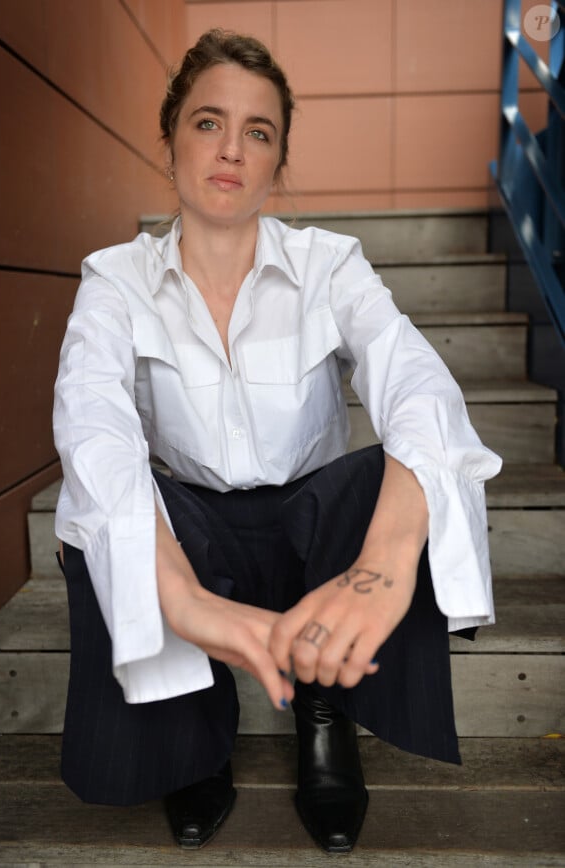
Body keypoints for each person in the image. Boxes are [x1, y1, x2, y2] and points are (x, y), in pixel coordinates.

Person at [53, 28, 502, 854]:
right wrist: (180, 599)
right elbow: (94, 424)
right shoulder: (115, 280)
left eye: (258, 132)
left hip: (310, 533)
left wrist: (386, 561)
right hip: (197, 537)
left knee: (391, 475)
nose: (232, 150)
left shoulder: (331, 265)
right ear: (170, 137)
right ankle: (193, 728)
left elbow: (418, 382)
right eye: (208, 122)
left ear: (278, 158)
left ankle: (327, 712)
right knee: (109, 511)